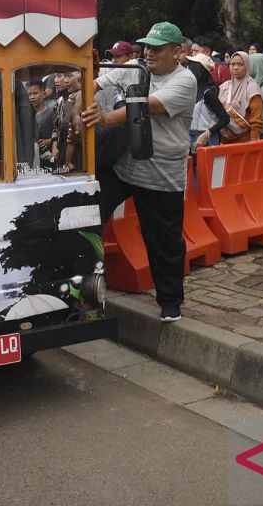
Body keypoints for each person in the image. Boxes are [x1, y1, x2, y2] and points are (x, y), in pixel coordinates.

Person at [82, 21, 196, 323]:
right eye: (146, 47)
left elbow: (147, 106)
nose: (149, 53)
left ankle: (170, 302)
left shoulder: (185, 80)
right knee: (88, 216)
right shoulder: (134, 66)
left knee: (164, 242)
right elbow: (95, 83)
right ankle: (82, 285)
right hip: (123, 166)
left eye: (157, 49)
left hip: (162, 175)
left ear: (177, 51)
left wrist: (105, 117)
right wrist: (86, 92)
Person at [218, 52, 263, 143]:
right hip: (224, 139)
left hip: (245, 141)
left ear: (247, 66)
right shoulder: (224, 87)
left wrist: (253, 141)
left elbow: (256, 119)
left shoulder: (252, 88)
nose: (235, 68)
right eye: (232, 64)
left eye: (240, 64)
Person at [186, 53, 229, 150]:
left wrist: (207, 134)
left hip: (208, 141)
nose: (189, 69)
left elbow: (225, 119)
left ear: (200, 70)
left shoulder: (208, 93)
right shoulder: (192, 90)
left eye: (192, 66)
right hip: (190, 139)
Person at [27, 80, 56, 168]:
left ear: (43, 94)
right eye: (29, 94)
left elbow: (58, 132)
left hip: (49, 157)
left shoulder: (52, 112)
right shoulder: (28, 115)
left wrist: (50, 141)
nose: (32, 97)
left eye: (35, 93)